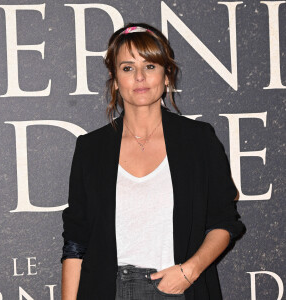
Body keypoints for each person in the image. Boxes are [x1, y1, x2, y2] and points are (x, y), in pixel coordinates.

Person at [61, 23, 245, 300]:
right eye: (127, 68)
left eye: (150, 66)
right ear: (114, 79)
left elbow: (224, 221)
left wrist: (190, 272)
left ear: (167, 75)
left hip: (178, 287)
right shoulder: (90, 149)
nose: (139, 77)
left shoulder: (198, 140)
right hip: (106, 290)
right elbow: (76, 242)